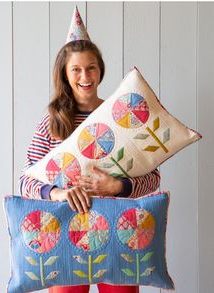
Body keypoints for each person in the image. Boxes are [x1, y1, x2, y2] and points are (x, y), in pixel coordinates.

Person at [19, 40, 160, 293]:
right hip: (64, 236)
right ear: (65, 73)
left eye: (91, 68)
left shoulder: (122, 116)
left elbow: (153, 177)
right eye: (76, 69)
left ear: (100, 70)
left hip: (120, 230)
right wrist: (58, 193)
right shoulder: (52, 122)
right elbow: (26, 181)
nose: (85, 76)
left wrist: (119, 186)